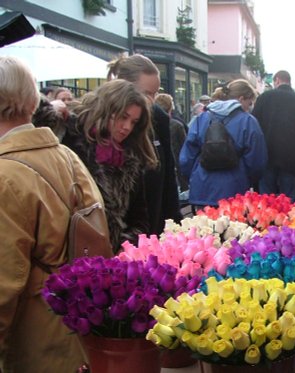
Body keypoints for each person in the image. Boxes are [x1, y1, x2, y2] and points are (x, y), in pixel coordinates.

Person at [0, 56, 104, 372]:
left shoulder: (5, 175)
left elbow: (3, 283)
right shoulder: (66, 156)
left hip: (34, 342)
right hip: (81, 327)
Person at [63, 79, 157, 252]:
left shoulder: (131, 158)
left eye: (134, 122)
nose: (127, 127)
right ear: (106, 110)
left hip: (112, 262)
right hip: (71, 258)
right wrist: (52, 111)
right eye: (123, 117)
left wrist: (125, 246)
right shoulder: (70, 140)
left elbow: (140, 218)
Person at [107, 54, 183, 234]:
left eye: (155, 93)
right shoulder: (106, 122)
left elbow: (168, 177)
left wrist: (175, 222)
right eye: (146, 93)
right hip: (120, 228)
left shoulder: (158, 118)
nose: (151, 100)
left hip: (154, 223)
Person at [179, 79, 267, 207]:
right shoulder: (249, 122)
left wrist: (193, 177)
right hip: (235, 192)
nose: (249, 107)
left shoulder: (201, 118)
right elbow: (257, 162)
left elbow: (186, 158)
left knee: (202, 227)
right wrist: (247, 180)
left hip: (202, 189)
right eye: (249, 103)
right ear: (241, 99)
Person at [252, 70, 295, 201]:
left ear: (277, 80)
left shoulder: (264, 98)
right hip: (291, 158)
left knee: (266, 200)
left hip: (267, 156)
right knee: (288, 199)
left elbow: (254, 126)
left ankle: (269, 221)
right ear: (289, 81)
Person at [155, 93, 189, 192]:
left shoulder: (150, 124)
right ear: (170, 106)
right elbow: (185, 148)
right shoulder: (177, 125)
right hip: (177, 169)